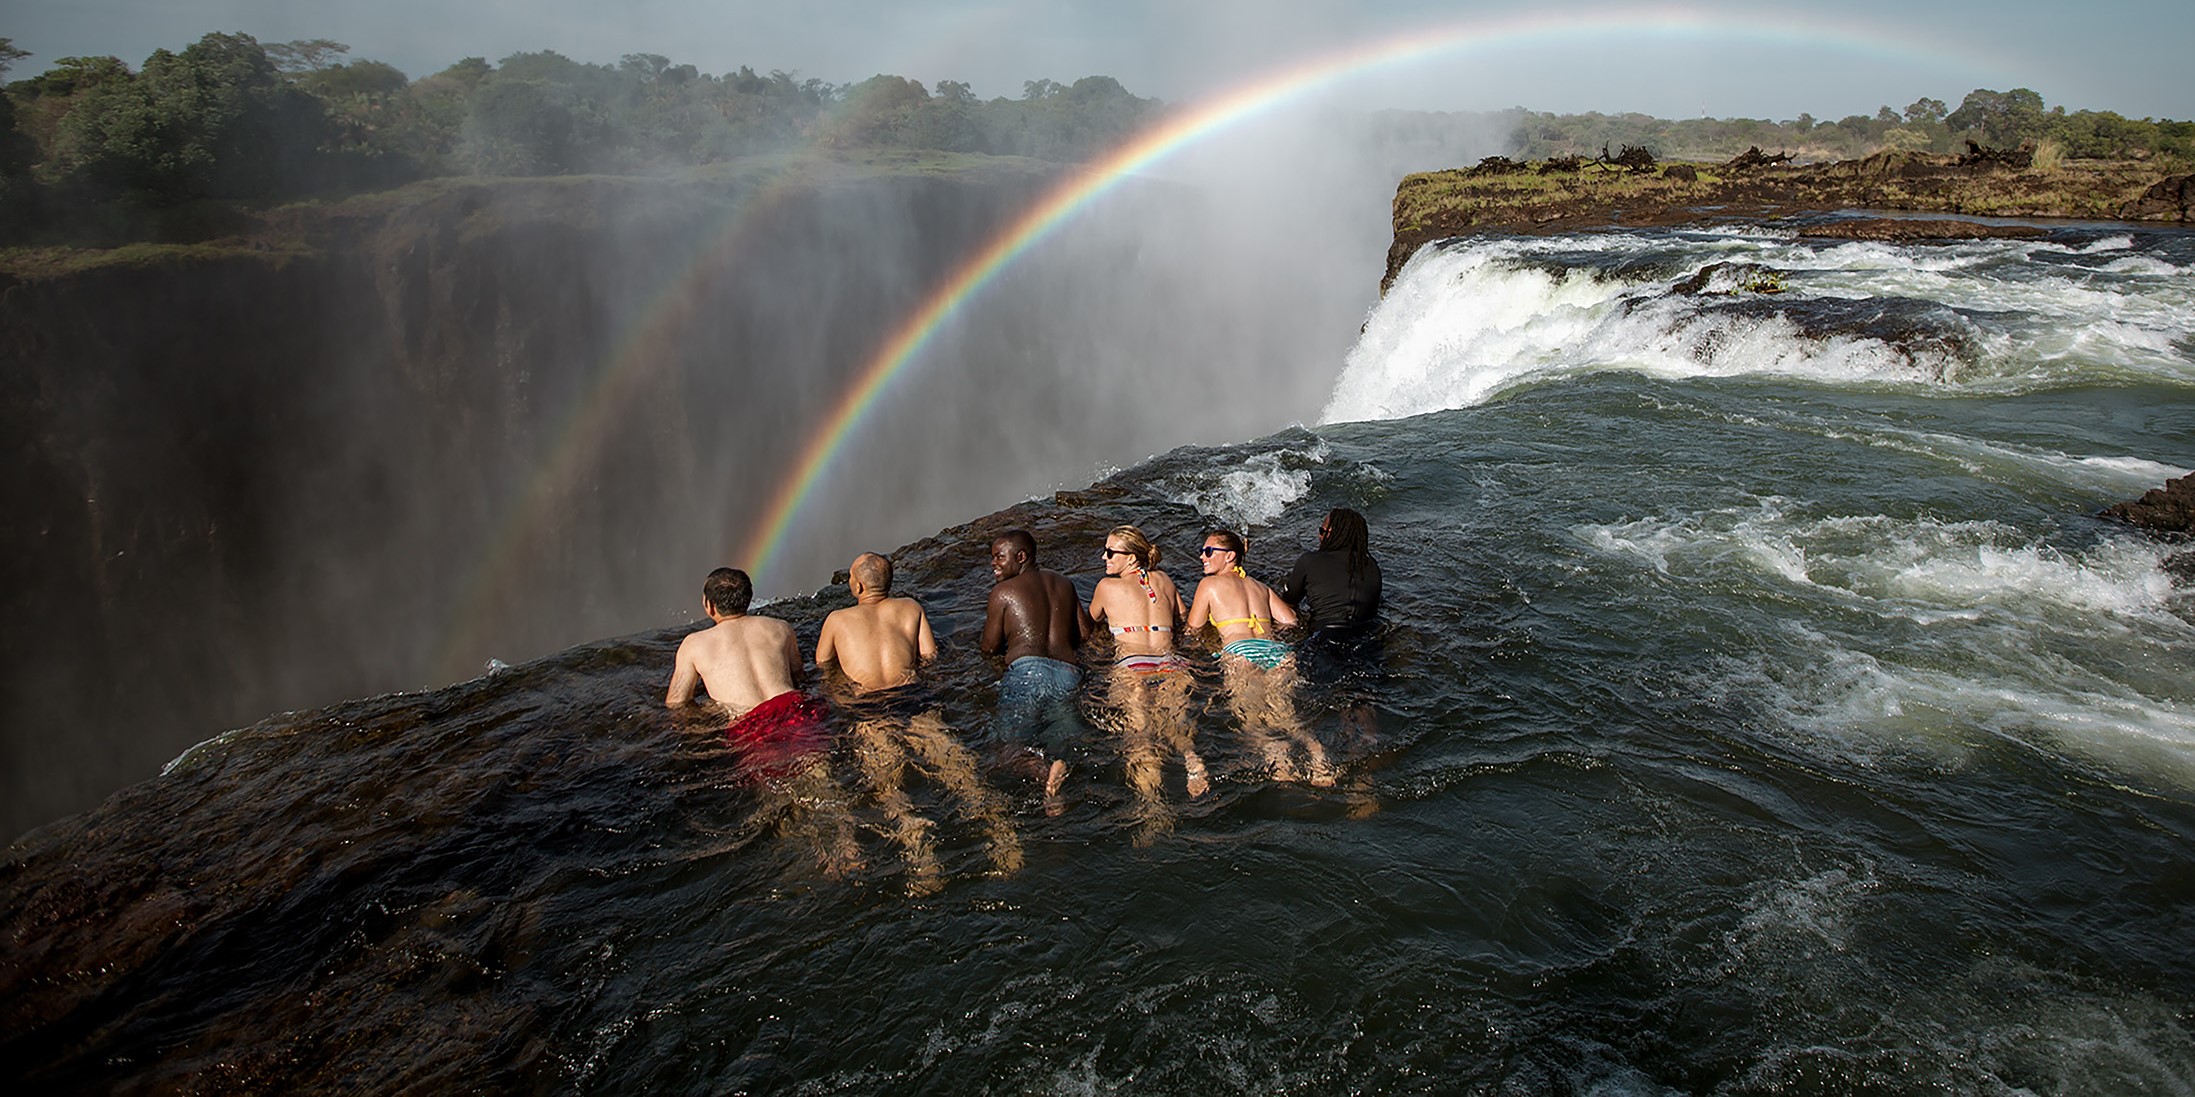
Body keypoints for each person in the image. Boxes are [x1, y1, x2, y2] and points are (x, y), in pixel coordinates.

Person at [817, 553, 1019, 891]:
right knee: (961, 772)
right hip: (913, 699)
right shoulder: (911, 607)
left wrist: (840, 695)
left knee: (888, 787)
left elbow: (823, 665)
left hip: (868, 708)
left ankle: (920, 851)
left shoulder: (837, 619)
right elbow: (930, 656)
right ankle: (1004, 839)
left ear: (857, 585)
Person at [666, 566, 859, 873]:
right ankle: (849, 844)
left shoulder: (694, 644)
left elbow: (677, 703)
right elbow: (798, 675)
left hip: (750, 725)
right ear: (749, 598)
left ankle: (820, 857)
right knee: (823, 780)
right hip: (795, 707)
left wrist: (708, 713)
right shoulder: (779, 627)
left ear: (709, 605)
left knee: (781, 795)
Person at [1087, 525, 1207, 840]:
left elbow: (1093, 620)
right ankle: (1191, 758)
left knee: (1140, 738)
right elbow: (1181, 617)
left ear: (1131, 557)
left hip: (1132, 663)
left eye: (1111, 552)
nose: (1104, 557)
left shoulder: (1106, 586)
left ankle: (1153, 807)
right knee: (1177, 725)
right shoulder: (1165, 580)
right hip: (1171, 663)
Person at [1186, 529, 1332, 786]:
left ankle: (1281, 763)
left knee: (1251, 720)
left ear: (1230, 556)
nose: (1202, 557)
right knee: (1285, 714)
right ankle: (1317, 754)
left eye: (1208, 551)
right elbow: (1290, 621)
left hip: (1242, 653)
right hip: (1278, 654)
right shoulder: (1261, 587)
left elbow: (1193, 629)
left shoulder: (1208, 585)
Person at [981, 529, 1089, 805]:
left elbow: (989, 647)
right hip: (1069, 673)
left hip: (1027, 672)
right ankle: (1056, 785)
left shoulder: (1003, 592)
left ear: (1021, 556)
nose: (993, 564)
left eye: (998, 557)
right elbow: (1085, 633)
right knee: (1065, 743)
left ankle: (1042, 774)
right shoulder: (1065, 584)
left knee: (1009, 750)